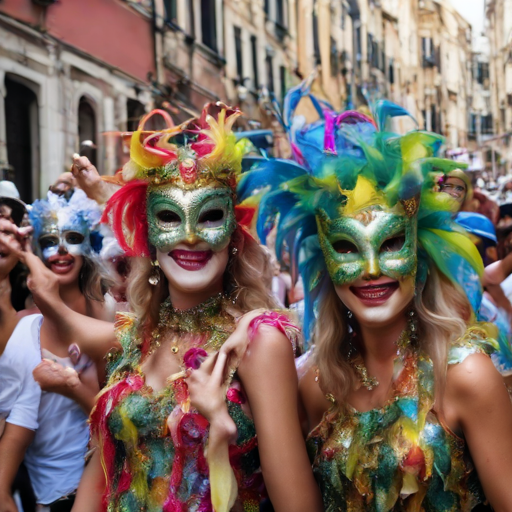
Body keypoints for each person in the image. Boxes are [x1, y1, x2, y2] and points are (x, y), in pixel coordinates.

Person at [10, 105, 322, 512]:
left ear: (232, 234)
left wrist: (222, 431)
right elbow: (104, 468)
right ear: (150, 236)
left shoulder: (257, 341)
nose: (190, 237)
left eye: (209, 216)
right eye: (170, 218)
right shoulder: (133, 338)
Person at [239, 91, 512, 510]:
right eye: (347, 247)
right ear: (325, 261)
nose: (371, 269)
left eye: (391, 243)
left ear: (419, 251)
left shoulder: (464, 375)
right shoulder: (317, 385)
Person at [0, 189, 111, 512]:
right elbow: (15, 416)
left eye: (72, 237)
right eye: (50, 241)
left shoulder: (107, 317)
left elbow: (118, 418)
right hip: (51, 495)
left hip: (106, 483)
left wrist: (72, 388)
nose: (61, 249)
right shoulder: (23, 329)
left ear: (87, 244)